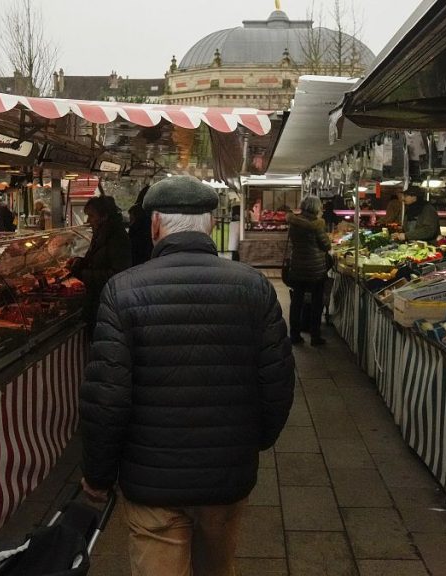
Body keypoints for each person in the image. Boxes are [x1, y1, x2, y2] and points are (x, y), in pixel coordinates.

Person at [79, 175, 295, 576]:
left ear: (156, 225)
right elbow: (278, 381)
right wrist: (254, 442)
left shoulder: (121, 291)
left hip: (151, 483)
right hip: (227, 475)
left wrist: (98, 475)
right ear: (211, 224)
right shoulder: (253, 287)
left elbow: (107, 398)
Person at [71, 196, 131, 333]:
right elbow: (95, 259)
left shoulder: (116, 237)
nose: (88, 221)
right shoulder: (101, 234)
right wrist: (80, 263)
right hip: (97, 300)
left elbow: (118, 274)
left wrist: (83, 274)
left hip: (108, 304)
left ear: (104, 216)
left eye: (91, 216)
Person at [285, 195, 332, 346]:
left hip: (298, 267)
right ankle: (315, 336)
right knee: (316, 303)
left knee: (296, 302)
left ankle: (294, 335)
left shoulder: (294, 223)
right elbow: (326, 246)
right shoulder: (317, 225)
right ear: (315, 207)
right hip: (315, 270)